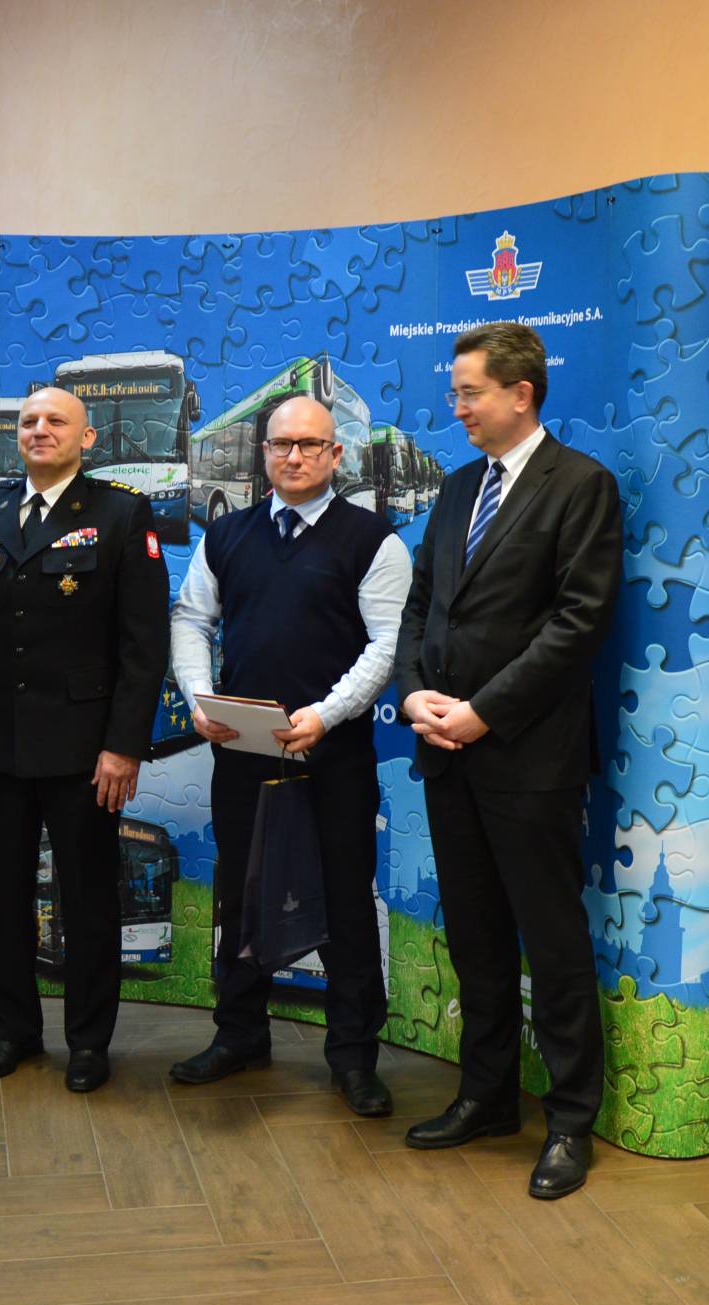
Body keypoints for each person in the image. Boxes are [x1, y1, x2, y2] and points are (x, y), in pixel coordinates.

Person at [394, 322, 623, 1200]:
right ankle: (486, 1096)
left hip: (529, 758)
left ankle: (569, 1121)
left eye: (469, 392)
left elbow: (578, 622)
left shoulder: (582, 486)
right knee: (476, 937)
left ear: (520, 394)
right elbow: (423, 605)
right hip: (445, 753)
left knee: (552, 942)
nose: (456, 408)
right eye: (455, 392)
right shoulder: (458, 488)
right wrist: (415, 693)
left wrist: (484, 712)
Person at [167, 395, 410, 1117]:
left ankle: (353, 1056)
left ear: (337, 455)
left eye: (310, 444)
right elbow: (191, 619)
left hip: (335, 759)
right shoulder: (226, 533)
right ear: (264, 452)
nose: (294, 456)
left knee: (344, 903)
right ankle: (240, 1034)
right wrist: (201, 697)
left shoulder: (373, 539)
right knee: (241, 898)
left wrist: (326, 715)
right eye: (281, 444)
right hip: (242, 757)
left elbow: (388, 644)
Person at [0, 386, 169, 1095]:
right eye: (28, 421)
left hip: (85, 750)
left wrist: (124, 746)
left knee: (87, 898)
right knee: (0, 894)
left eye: (56, 420)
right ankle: (13, 1031)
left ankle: (88, 1042)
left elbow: (143, 645)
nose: (39, 429)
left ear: (87, 438)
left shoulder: (121, 513)